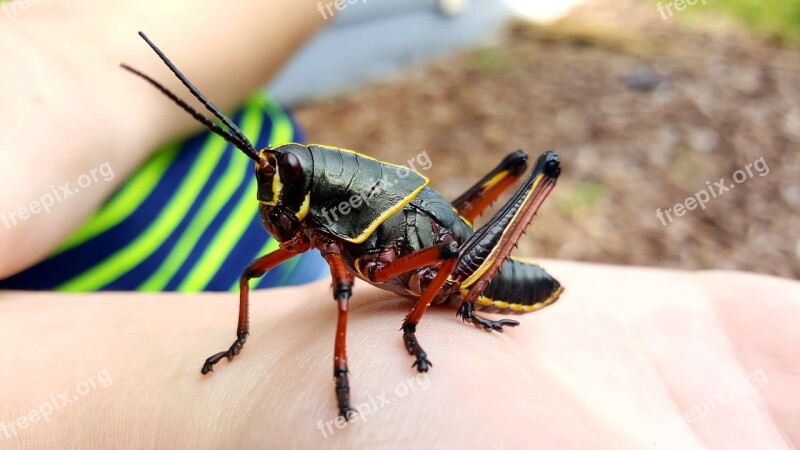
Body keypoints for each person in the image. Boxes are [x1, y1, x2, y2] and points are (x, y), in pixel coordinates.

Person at [1, 1, 798, 448]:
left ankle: (447, 305)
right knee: (288, 279)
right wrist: (245, 366)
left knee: (511, 180)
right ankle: (276, 333)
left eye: (274, 176)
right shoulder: (317, 227)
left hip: (467, 274)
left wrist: (414, 334)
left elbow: (345, 292)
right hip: (380, 265)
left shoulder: (347, 244)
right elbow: (304, 273)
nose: (266, 189)